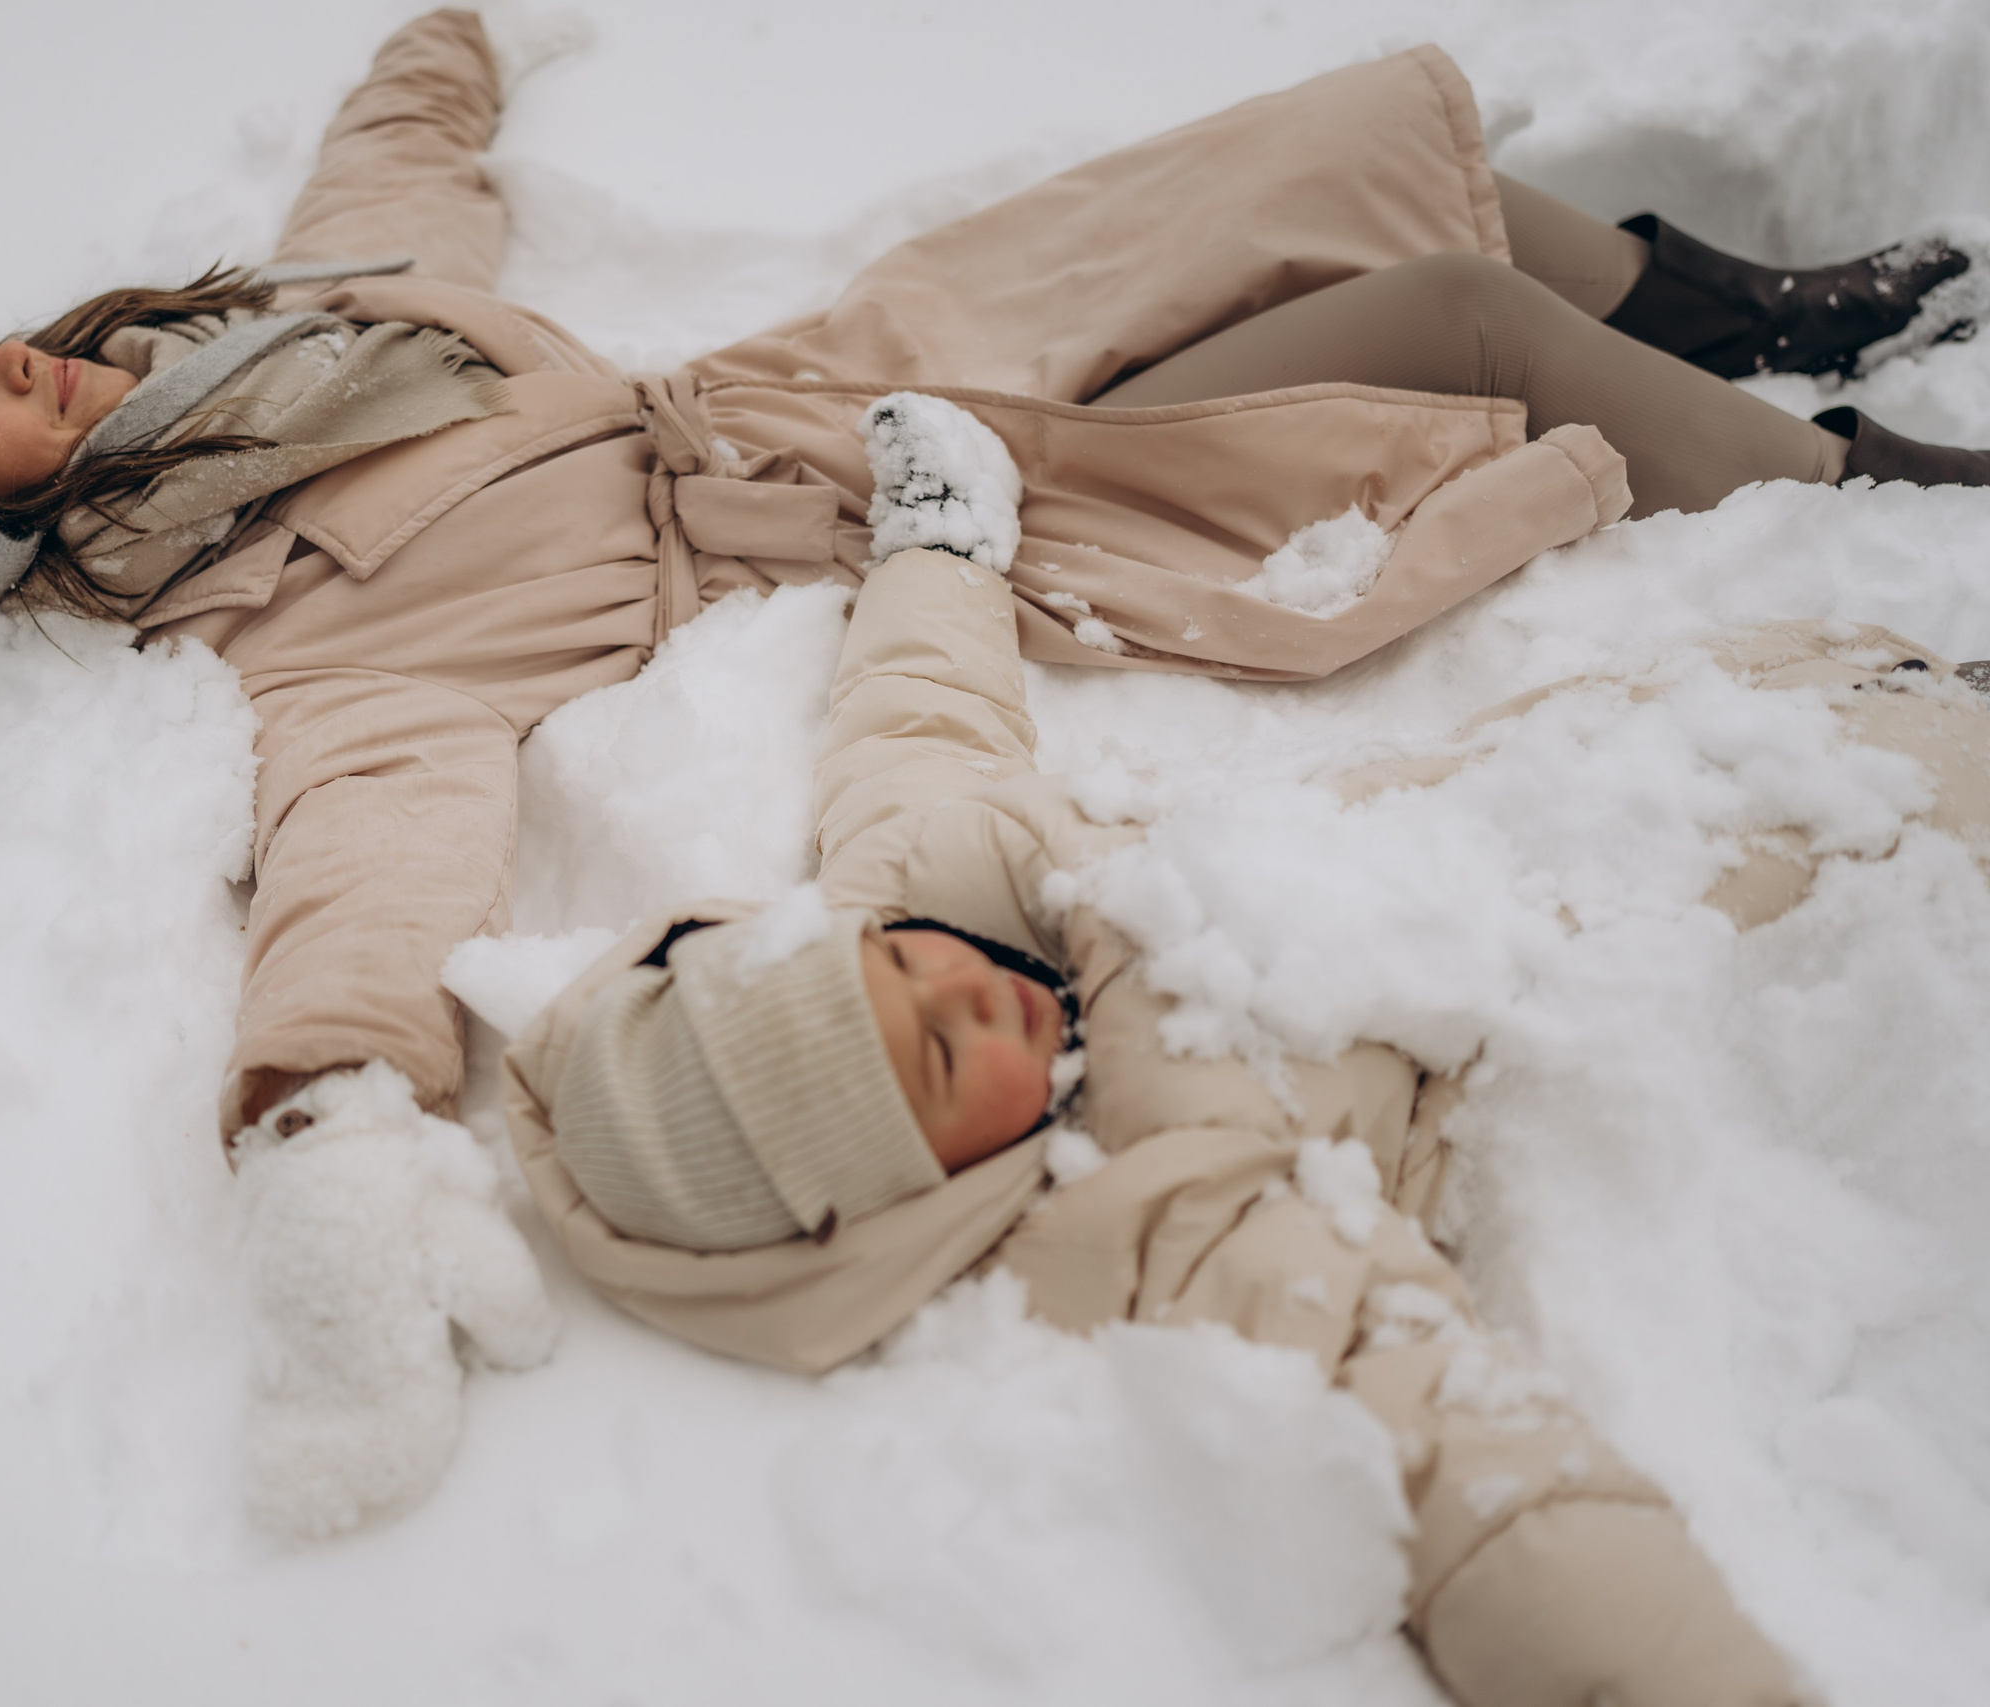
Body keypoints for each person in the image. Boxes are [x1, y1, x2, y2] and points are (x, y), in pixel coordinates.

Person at [0, 10, 1990, 1165]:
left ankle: (1740, 305)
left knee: (1314, 159)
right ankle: (1868, 494)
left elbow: (393, 174)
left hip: (859, 351)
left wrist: (448, 32)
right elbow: (368, 842)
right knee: (1440, 323)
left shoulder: (265, 337)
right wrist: (324, 1083)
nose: (2, 364)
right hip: (919, 482)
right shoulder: (293, 624)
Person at [503, 393, 1990, 1707]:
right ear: (917, 1192)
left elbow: (918, 714)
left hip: (1546, 770)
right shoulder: (1177, 1210)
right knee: (1881, 770)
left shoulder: (933, 885)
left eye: (905, 969)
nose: (977, 994)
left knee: (1784, 690)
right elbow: (1481, 1484)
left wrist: (938, 552)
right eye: (946, 1063)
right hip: (1649, 908)